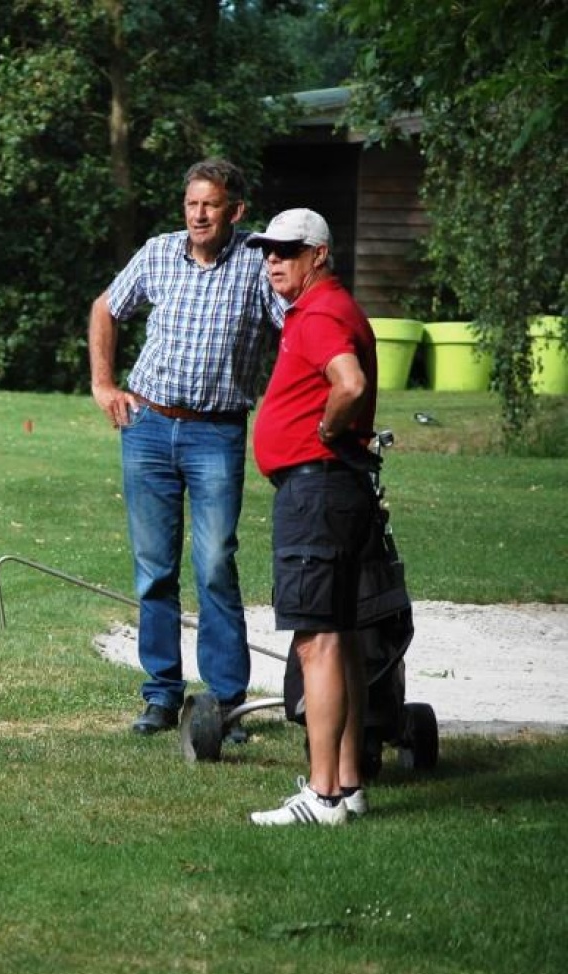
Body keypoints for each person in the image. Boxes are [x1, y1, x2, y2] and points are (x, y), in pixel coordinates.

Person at [88, 158, 286, 737]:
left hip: (216, 432)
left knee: (216, 565)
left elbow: (296, 326)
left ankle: (224, 704)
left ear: (235, 210)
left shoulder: (256, 262)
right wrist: (103, 384)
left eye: (210, 205)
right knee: (154, 570)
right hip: (147, 426)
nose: (199, 215)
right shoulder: (158, 252)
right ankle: (161, 695)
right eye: (192, 204)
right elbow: (106, 307)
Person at [247, 208, 378, 825]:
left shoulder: (320, 312)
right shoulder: (330, 307)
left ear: (318, 254)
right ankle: (348, 785)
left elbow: (348, 384)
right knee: (341, 637)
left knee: (316, 642)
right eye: (267, 251)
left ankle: (323, 796)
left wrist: (325, 431)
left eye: (287, 250)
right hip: (334, 489)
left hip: (317, 491)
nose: (273, 260)